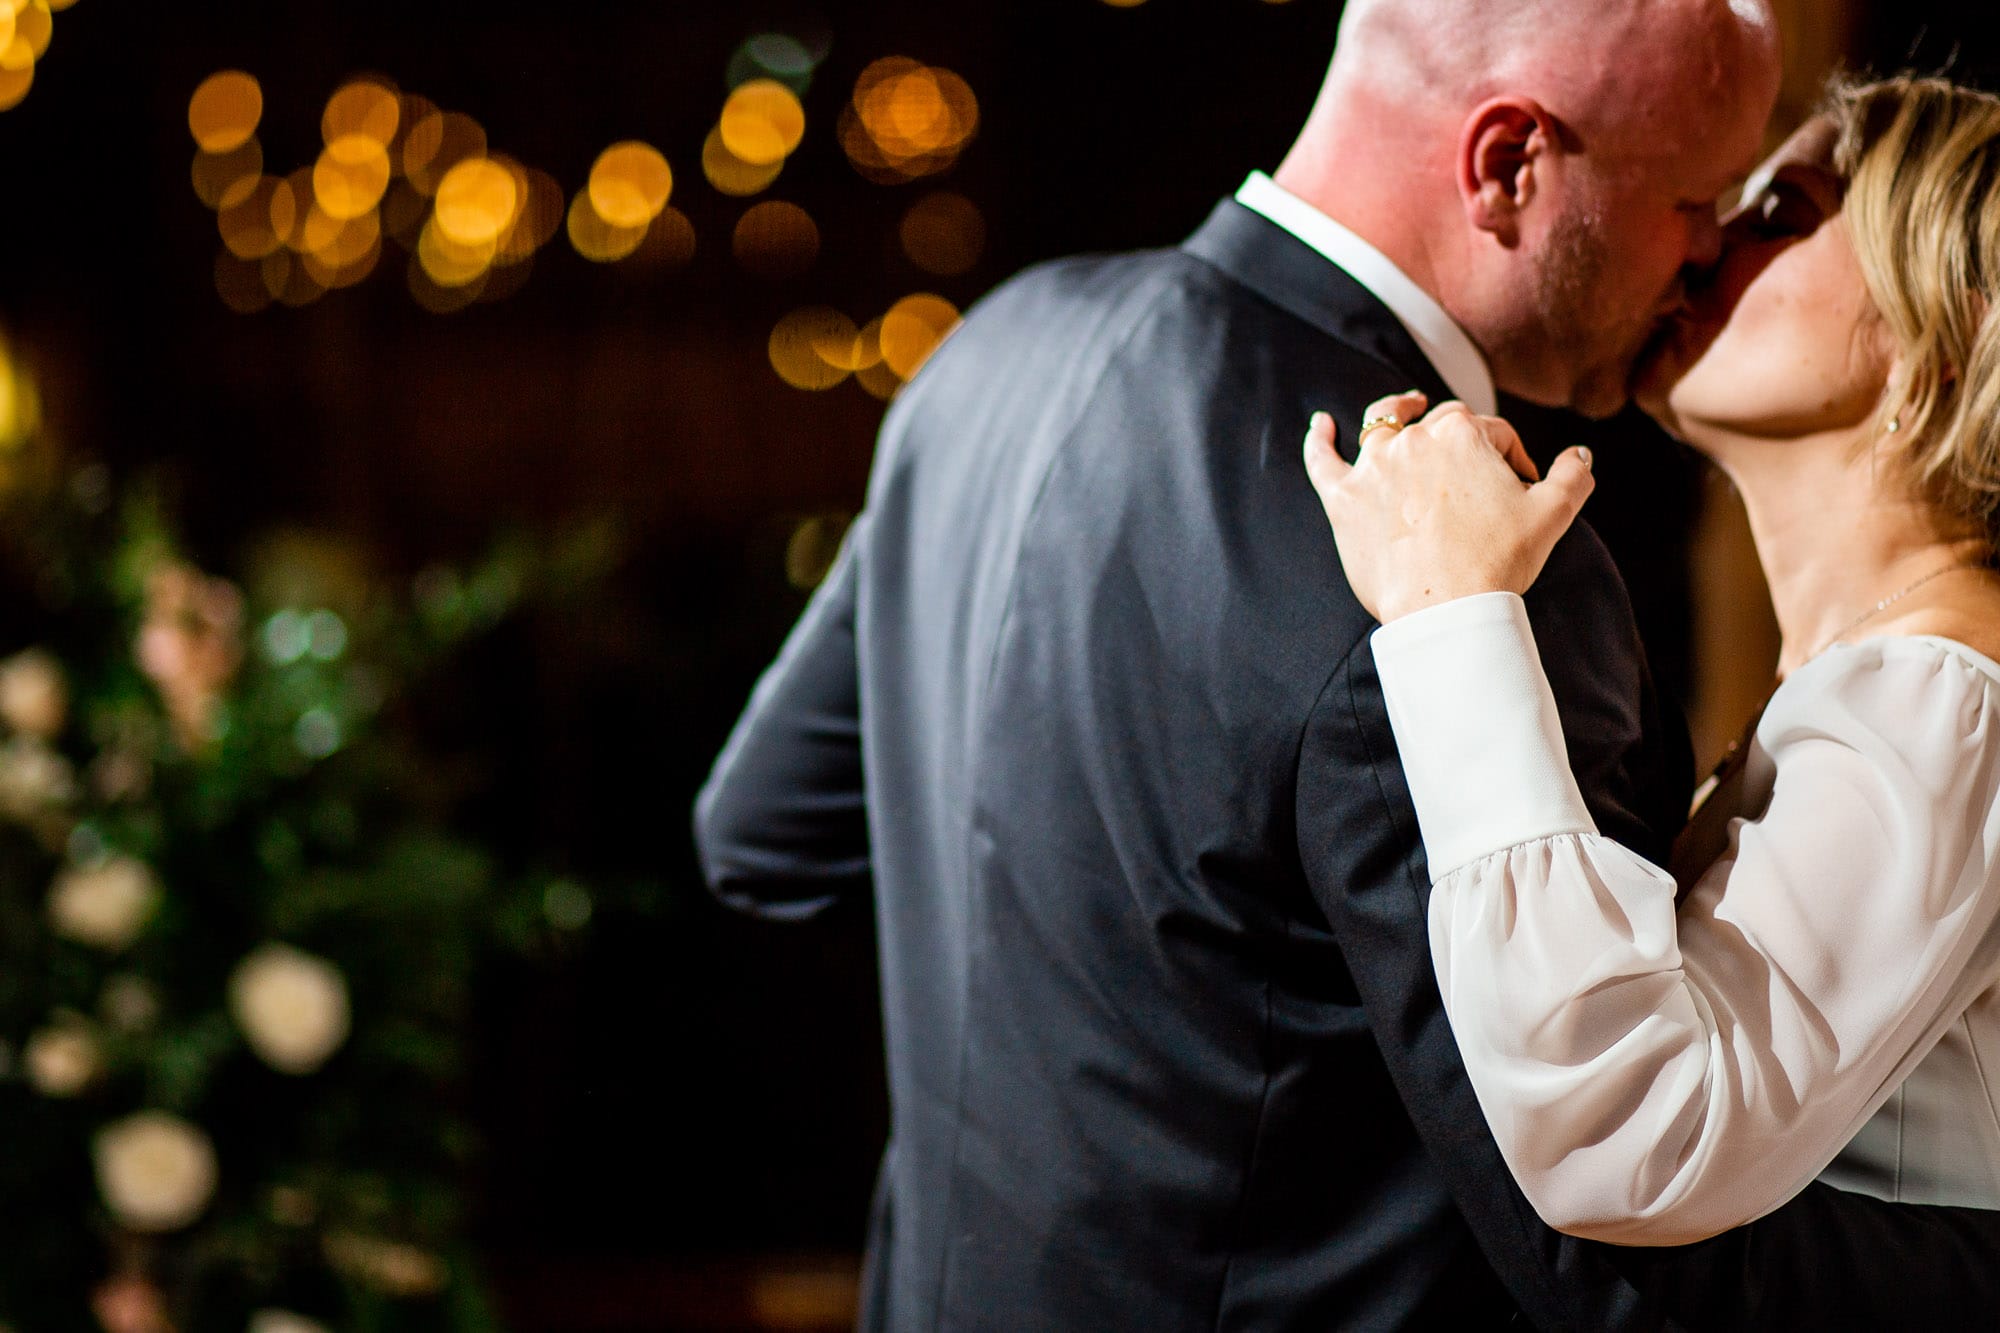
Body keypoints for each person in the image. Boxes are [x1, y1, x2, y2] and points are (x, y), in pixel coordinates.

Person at [696, 2, 2000, 1325]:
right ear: (1508, 166)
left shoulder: (994, 350)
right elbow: (1593, 1247)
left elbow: (762, 836)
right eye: (1691, 199)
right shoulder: (1478, 556)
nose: (1703, 247)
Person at [1305, 71, 2000, 1253]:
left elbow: (1631, 1136)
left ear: (1942, 324)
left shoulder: (1937, 700)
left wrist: (1449, 612)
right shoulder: (1877, 680)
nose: (1703, 245)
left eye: (1777, 214)